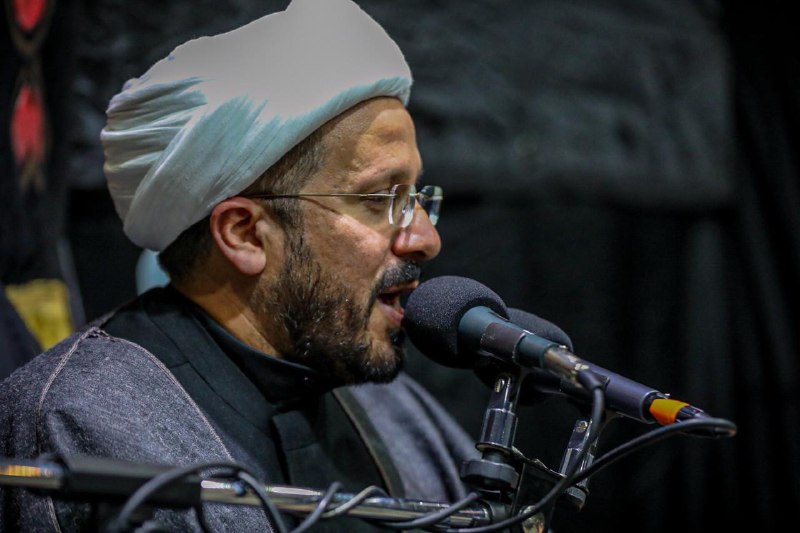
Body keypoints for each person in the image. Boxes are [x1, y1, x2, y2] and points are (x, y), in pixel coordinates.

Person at [0, 0, 479, 530]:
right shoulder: (87, 418)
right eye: (379, 199)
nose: (426, 239)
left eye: (417, 198)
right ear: (244, 233)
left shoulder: (392, 408)